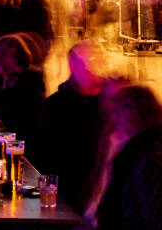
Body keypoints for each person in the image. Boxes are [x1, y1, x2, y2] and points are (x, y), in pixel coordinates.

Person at [93, 85, 162, 230]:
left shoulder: (157, 161)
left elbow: (161, 221)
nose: (115, 116)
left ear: (142, 113)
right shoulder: (139, 152)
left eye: (124, 107)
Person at [36, 40, 108, 212]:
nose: (99, 68)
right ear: (74, 66)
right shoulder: (56, 106)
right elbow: (51, 156)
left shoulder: (112, 102)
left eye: (102, 60)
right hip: (70, 195)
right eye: (92, 61)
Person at [0, 33, 46, 148]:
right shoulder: (6, 81)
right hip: (8, 143)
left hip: (23, 148)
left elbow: (22, 122)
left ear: (9, 58)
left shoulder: (30, 85)